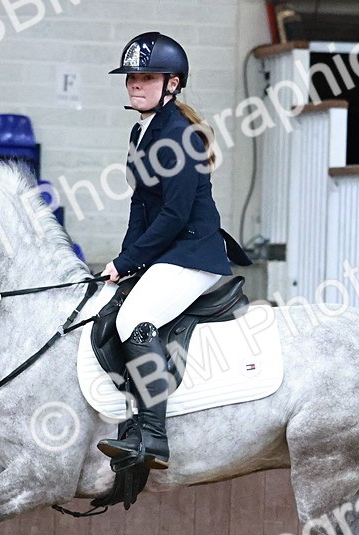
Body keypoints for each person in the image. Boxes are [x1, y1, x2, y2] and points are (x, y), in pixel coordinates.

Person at [96, 31, 246, 470]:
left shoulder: (179, 134)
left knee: (133, 320)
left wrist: (128, 261)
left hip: (192, 254)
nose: (135, 84)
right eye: (130, 77)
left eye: (146, 77)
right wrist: (123, 262)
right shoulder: (142, 131)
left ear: (173, 84)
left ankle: (153, 437)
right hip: (168, 251)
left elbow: (175, 215)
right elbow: (141, 207)